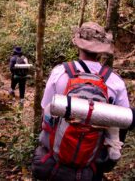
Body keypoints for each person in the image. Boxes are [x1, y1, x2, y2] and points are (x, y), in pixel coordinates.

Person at [35, 22, 130, 181]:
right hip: (91, 164)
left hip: (55, 159)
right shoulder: (115, 82)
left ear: (78, 45)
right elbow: (123, 121)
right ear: (101, 50)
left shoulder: (60, 73)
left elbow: (45, 109)